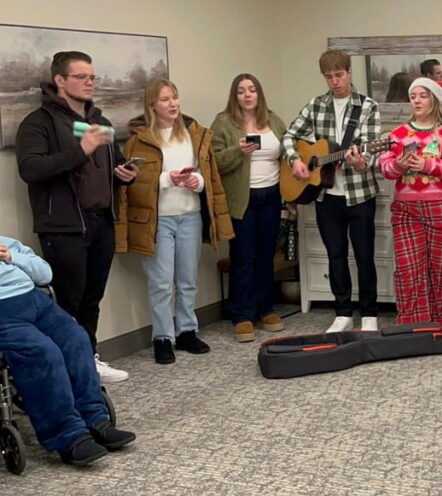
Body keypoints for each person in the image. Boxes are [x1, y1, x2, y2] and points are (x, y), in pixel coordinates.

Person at [15, 50, 137, 384]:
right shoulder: (39, 123)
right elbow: (31, 168)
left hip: (101, 222)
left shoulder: (101, 121)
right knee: (68, 301)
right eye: (81, 77)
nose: (89, 82)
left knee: (92, 299)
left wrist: (124, 174)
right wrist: (79, 151)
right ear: (60, 81)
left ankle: (89, 358)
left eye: (92, 77)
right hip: (64, 226)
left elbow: (113, 164)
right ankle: (69, 367)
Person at [117, 79, 233, 363]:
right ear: (152, 106)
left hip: (190, 215)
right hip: (157, 221)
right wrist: (169, 179)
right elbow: (135, 183)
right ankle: (162, 337)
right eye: (165, 99)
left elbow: (210, 175)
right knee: (160, 283)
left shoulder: (195, 135)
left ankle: (186, 331)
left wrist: (197, 182)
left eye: (175, 98)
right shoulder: (140, 140)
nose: (173, 104)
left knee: (187, 280)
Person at [0, 235, 136, 466]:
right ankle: (68, 436)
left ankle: (96, 419)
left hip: (36, 301)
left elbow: (45, 274)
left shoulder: (7, 242)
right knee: (44, 352)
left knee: (76, 338)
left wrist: (12, 257)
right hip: (5, 315)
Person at [284, 50, 381, 333]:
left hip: (360, 193)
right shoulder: (315, 105)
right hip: (325, 195)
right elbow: (289, 135)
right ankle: (342, 311)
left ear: (350, 73)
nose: (335, 82)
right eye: (329, 77)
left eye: (339, 75)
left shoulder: (367, 106)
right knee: (335, 254)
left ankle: (370, 313)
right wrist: (296, 160)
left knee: (365, 255)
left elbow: (371, 148)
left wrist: (361, 161)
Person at [378, 78, 442, 327]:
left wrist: (428, 164)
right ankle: (412, 324)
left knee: (441, 268)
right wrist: (400, 164)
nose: (417, 100)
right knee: (409, 269)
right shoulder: (396, 135)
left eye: (423, 96)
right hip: (406, 210)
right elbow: (385, 167)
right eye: (413, 96)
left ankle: (441, 321)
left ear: (435, 99)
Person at [211, 73, 289, 343]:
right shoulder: (224, 122)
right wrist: (238, 151)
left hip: (271, 195)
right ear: (235, 95)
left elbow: (288, 149)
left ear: (259, 94)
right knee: (243, 257)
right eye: (242, 91)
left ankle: (265, 309)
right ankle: (242, 314)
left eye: (252, 90)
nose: (247, 95)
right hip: (242, 199)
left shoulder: (273, 119)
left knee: (266, 255)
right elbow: (214, 162)